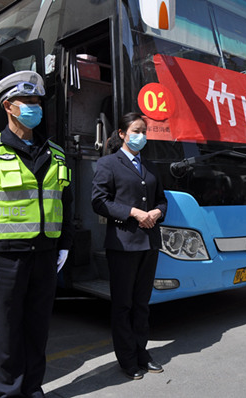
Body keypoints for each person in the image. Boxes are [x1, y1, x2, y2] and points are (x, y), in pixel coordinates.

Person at [0, 71, 73, 397]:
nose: (36, 108)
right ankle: (8, 393)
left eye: (39, 102)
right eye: (29, 102)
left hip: (46, 258)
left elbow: (66, 204)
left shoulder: (56, 154)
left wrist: (64, 246)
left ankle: (33, 389)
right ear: (9, 106)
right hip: (5, 260)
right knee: (7, 335)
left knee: (38, 331)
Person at [91, 113, 167, 380]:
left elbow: (161, 200)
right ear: (122, 134)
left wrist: (157, 212)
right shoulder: (108, 164)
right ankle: (127, 359)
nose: (141, 135)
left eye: (144, 131)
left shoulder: (151, 165)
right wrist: (133, 212)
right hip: (123, 244)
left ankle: (142, 352)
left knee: (142, 304)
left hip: (149, 243)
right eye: (136, 130)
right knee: (123, 304)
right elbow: (99, 201)